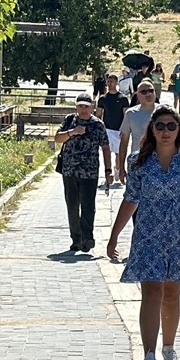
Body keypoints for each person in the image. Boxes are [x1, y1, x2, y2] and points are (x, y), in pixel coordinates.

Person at [106, 108, 180, 360]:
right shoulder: (138, 161)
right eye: (160, 126)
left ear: (179, 129)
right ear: (152, 130)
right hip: (148, 235)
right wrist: (114, 235)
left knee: (171, 294)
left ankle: (169, 347)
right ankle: (149, 354)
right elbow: (131, 199)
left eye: (171, 126)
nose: (165, 131)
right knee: (152, 292)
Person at [55, 92, 113, 252]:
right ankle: (76, 239)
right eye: (80, 106)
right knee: (72, 205)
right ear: (76, 107)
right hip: (70, 170)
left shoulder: (98, 124)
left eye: (86, 106)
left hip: (90, 172)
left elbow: (106, 147)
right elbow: (57, 138)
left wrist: (108, 170)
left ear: (92, 108)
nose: (83, 109)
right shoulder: (69, 120)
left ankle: (87, 237)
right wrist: (72, 132)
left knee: (88, 206)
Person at [118, 80, 158, 183]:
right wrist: (121, 168)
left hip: (161, 162)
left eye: (151, 91)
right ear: (138, 95)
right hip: (139, 162)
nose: (148, 94)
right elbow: (124, 142)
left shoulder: (165, 111)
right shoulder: (131, 114)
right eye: (144, 92)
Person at [96, 74, 128, 163]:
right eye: (108, 82)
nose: (110, 84)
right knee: (107, 152)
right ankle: (108, 170)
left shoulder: (123, 98)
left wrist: (125, 129)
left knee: (118, 153)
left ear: (116, 83)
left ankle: (117, 170)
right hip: (107, 129)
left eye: (112, 82)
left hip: (119, 129)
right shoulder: (103, 98)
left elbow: (126, 115)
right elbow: (98, 114)